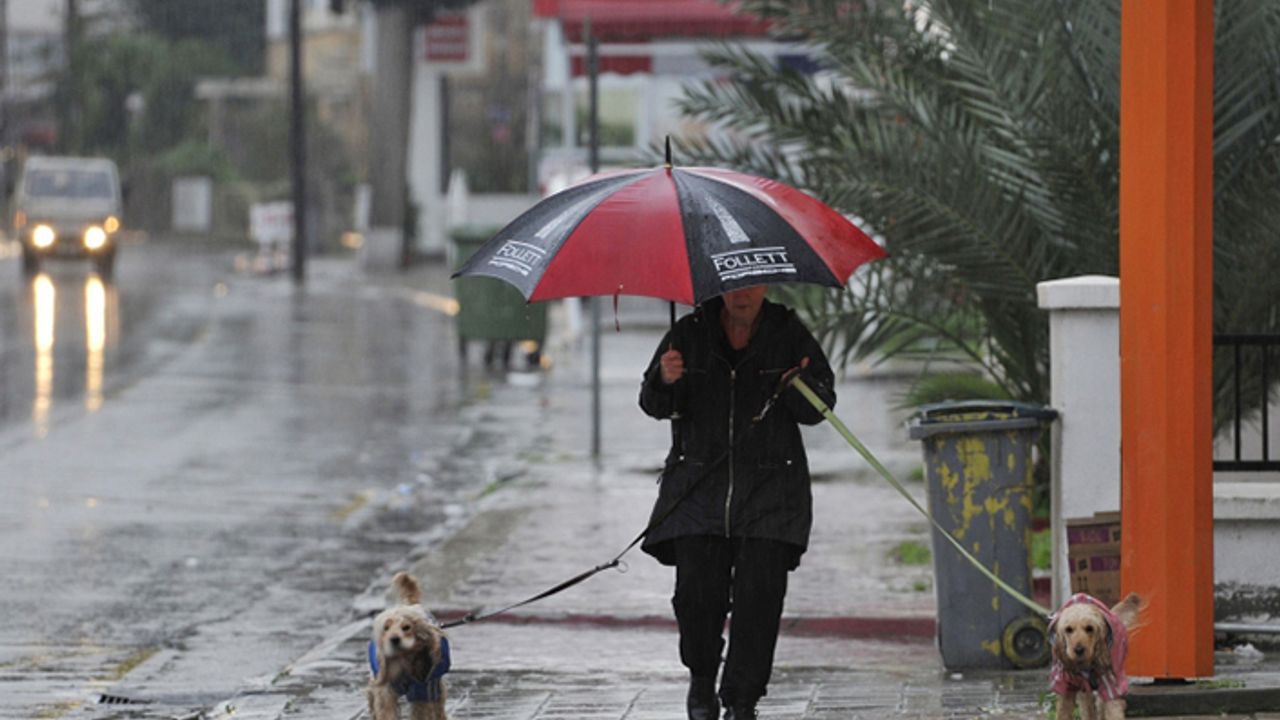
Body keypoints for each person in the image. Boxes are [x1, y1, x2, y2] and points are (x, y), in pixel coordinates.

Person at [638, 285, 837, 720]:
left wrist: (796, 385)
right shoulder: (688, 332)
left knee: (759, 598)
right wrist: (664, 380)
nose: (741, 295)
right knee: (696, 596)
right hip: (698, 488)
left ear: (765, 286)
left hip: (771, 490)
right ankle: (703, 678)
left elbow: (820, 407)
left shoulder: (789, 332)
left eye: (750, 287)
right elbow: (652, 404)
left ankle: (742, 700)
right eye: (731, 288)